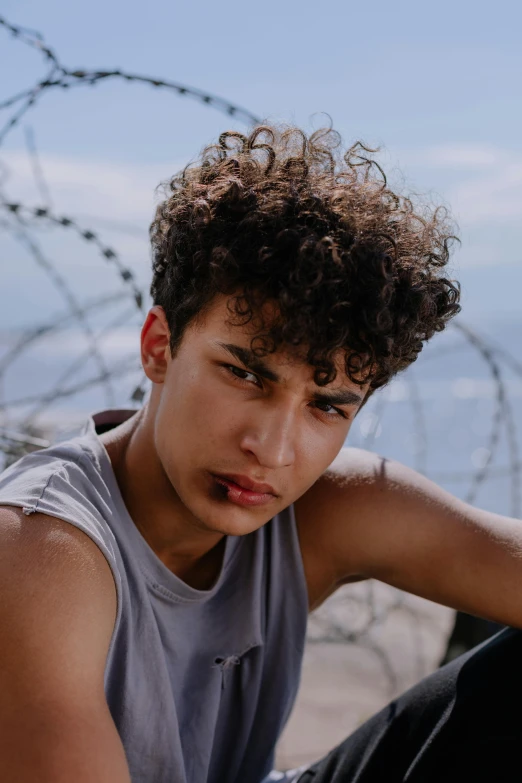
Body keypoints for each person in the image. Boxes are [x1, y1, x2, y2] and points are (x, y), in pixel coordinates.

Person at [1, 123, 521, 783]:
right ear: (160, 346)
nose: (272, 450)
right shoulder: (39, 547)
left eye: (326, 405)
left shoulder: (327, 511)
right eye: (246, 375)